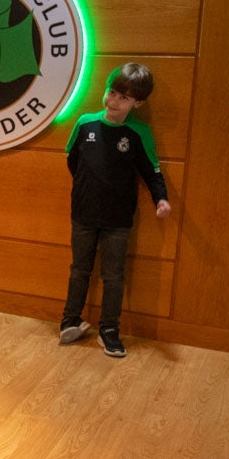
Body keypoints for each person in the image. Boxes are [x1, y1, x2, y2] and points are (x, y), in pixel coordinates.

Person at [58, 62, 172, 358]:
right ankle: (69, 321)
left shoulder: (139, 133)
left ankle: (109, 329)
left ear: (138, 102)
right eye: (112, 93)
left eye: (123, 98)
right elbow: (73, 161)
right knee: (79, 269)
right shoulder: (85, 123)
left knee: (114, 275)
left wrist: (161, 199)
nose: (114, 101)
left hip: (119, 219)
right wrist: (88, 190)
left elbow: (152, 171)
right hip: (83, 213)